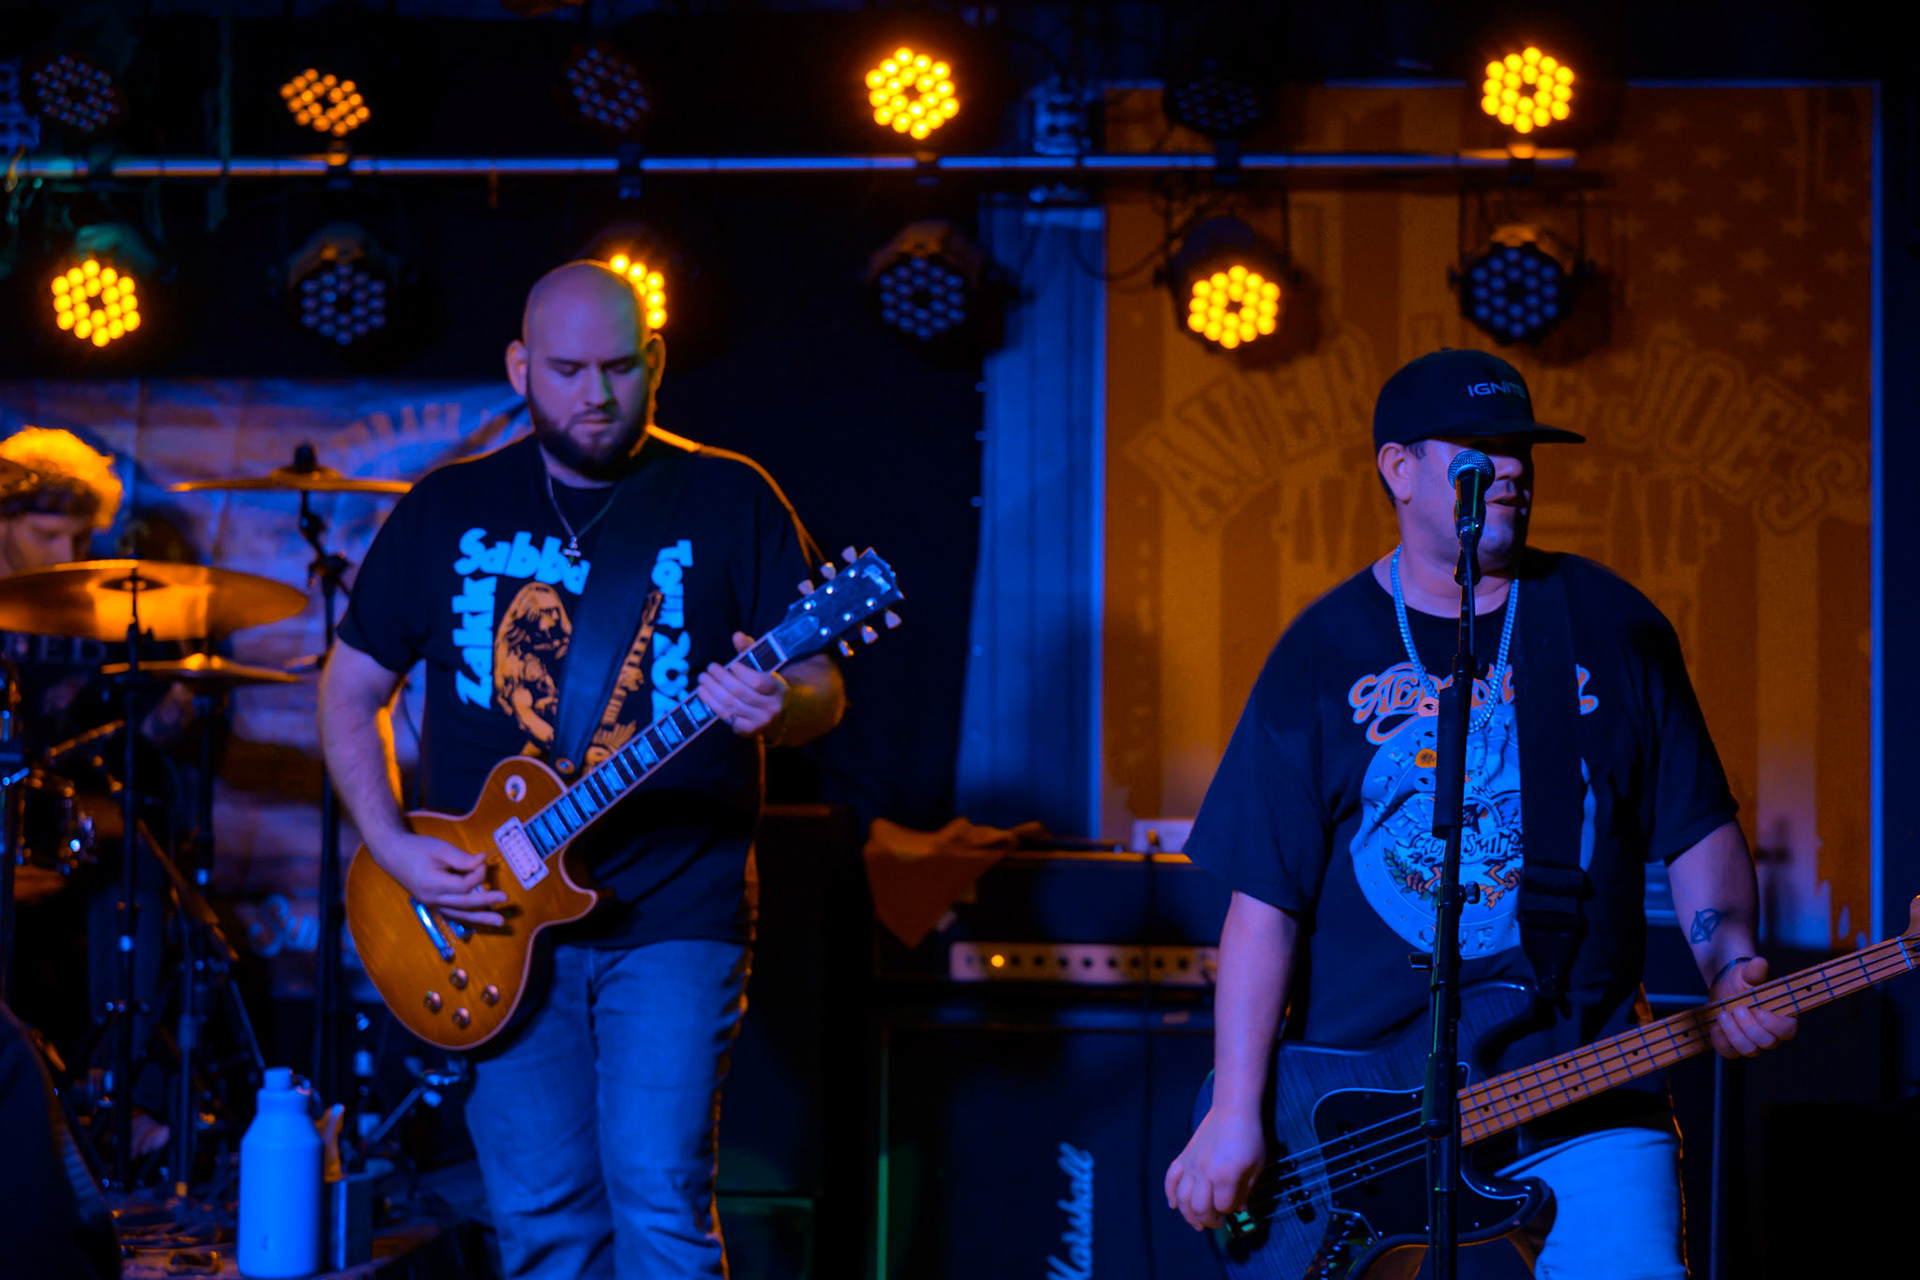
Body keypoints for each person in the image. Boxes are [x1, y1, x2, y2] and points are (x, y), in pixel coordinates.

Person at [1163, 349, 1797, 1277]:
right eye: (1479, 450)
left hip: (1586, 1078)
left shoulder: (1613, 625)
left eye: (1521, 452)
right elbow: (1266, 907)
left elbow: (1697, 824)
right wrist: (1235, 1110)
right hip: (1363, 1114)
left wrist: (1732, 963)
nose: (1510, 471)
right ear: (1399, 468)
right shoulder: (1320, 651)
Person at [319, 260, 845, 1280]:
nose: (596, 394)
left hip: (675, 906)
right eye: (567, 370)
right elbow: (349, 690)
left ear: (656, 361)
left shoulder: (729, 496)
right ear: (520, 367)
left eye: (619, 367)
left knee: (661, 1197)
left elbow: (821, 683)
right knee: (542, 1220)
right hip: (488, 913)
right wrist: (393, 847)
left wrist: (783, 704)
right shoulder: (448, 508)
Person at [1, 426, 177, 1164]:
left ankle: (125, 1097)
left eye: (78, 537)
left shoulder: (95, 610)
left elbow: (127, 736)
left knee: (138, 861)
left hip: (62, 816)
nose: (66, 554)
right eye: (47, 535)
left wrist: (168, 712)